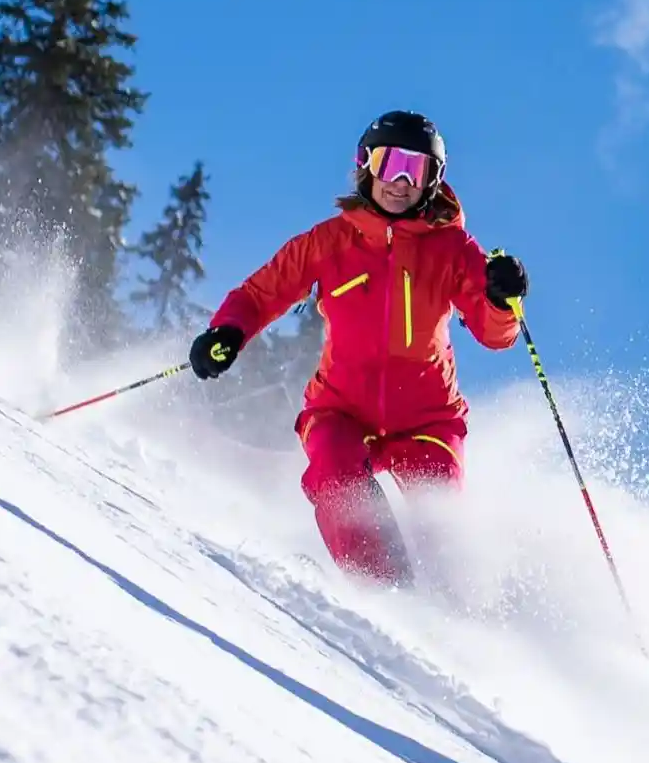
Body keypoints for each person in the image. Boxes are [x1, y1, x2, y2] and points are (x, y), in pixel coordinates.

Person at [188, 111, 529, 584]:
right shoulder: (330, 242)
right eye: (391, 164)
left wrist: (500, 298)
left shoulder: (453, 250)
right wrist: (227, 331)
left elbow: (495, 335)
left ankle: (461, 610)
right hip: (341, 408)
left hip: (428, 418)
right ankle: (383, 588)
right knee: (333, 472)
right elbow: (261, 293)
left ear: (434, 181)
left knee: (443, 524)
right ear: (366, 165)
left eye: (418, 169)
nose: (402, 181)